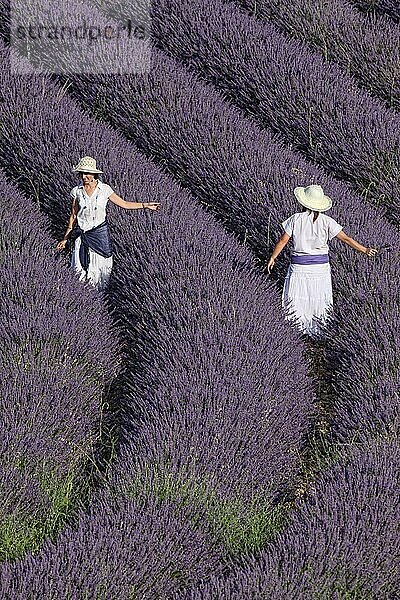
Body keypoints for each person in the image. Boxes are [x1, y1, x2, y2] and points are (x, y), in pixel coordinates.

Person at [267, 184, 378, 338]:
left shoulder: (295, 219)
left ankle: (295, 330)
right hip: (320, 267)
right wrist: (364, 250)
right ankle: (318, 330)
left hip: (300, 266)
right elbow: (346, 239)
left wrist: (273, 257)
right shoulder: (327, 221)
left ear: (304, 202)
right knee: (319, 297)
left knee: (297, 296)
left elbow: (283, 240)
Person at [56, 156, 160, 291]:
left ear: (94, 174)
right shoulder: (77, 191)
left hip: (99, 234)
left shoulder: (104, 189)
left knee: (100, 269)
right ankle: (81, 295)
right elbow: (74, 215)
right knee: (79, 270)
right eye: (82, 173)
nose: (85, 176)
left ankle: (97, 299)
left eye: (87, 173)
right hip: (82, 235)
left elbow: (125, 204)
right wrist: (65, 238)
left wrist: (145, 205)